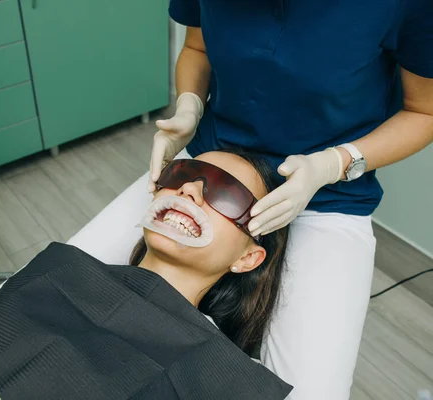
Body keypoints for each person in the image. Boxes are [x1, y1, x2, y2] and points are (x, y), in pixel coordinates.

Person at [69, 1, 433, 398]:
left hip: (328, 194)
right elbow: (197, 49)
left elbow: (424, 111)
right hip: (213, 161)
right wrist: (189, 106)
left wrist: (335, 163)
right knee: (59, 276)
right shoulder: (194, 184)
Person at [0, 150, 293, 400]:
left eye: (227, 196)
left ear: (248, 259)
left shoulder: (228, 379)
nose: (190, 190)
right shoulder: (57, 269)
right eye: (182, 174)